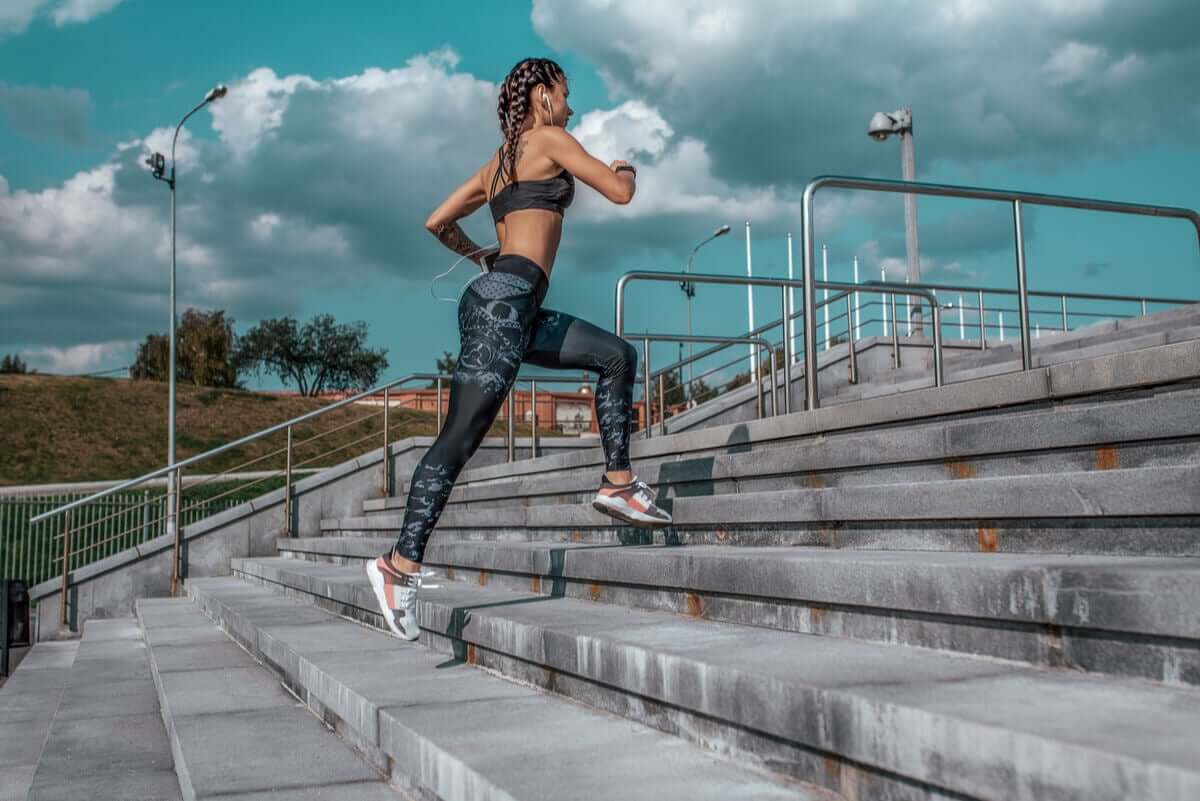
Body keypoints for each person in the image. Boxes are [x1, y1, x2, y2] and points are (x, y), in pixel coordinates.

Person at [366, 57, 671, 641]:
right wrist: (626, 167)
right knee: (460, 437)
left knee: (616, 356)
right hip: (505, 304)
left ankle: (617, 483)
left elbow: (436, 221)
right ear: (542, 95)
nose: (571, 107)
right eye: (565, 94)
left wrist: (483, 256)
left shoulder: (497, 164)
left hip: (513, 302)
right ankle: (397, 566)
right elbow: (619, 193)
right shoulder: (549, 139)